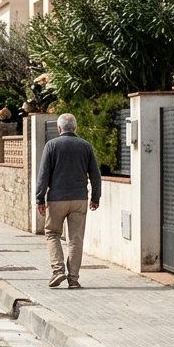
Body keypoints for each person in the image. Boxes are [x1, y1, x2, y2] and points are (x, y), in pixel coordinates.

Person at [35, 113, 101, 288]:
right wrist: (95, 197)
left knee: (52, 233)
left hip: (56, 198)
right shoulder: (85, 146)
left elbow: (43, 175)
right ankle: (73, 279)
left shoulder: (51, 145)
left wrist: (39, 199)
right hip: (79, 199)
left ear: (58, 129)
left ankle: (58, 271)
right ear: (75, 128)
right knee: (75, 239)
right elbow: (95, 175)